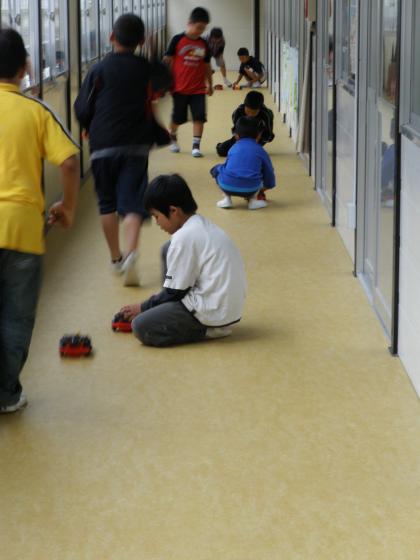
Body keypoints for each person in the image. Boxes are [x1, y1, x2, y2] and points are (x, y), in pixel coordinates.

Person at [0, 28, 80, 413]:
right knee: (16, 317)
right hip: (22, 231)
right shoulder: (35, 110)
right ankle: (6, 395)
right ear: (26, 67)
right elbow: (70, 161)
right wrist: (68, 207)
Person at [74, 14, 171, 287]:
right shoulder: (144, 68)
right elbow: (166, 80)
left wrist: (87, 125)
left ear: (111, 37)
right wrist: (152, 53)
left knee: (107, 204)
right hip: (135, 144)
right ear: (140, 41)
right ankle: (131, 254)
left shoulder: (98, 69)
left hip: (102, 144)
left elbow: (82, 107)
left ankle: (116, 258)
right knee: (132, 204)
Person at [118, 174, 246, 347]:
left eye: (156, 216)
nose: (157, 223)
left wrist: (142, 307)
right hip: (226, 307)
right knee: (167, 249)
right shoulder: (199, 224)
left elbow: (174, 293)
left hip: (213, 313)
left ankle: (208, 329)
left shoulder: (184, 237)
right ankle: (172, 311)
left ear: (173, 211)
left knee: (140, 326)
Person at [164, 7, 213, 157]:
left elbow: (207, 65)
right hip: (179, 88)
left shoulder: (203, 44)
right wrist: (162, 80)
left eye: (203, 28)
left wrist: (210, 84)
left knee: (199, 117)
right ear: (189, 23)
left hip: (198, 88)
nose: (200, 31)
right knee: (178, 118)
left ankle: (196, 146)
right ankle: (172, 136)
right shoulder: (177, 40)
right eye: (198, 27)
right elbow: (167, 60)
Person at [210, 116, 276, 210]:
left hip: (227, 186)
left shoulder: (233, 148)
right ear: (259, 135)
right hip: (252, 188)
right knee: (259, 172)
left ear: (236, 135)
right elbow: (269, 172)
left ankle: (227, 199)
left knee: (217, 169)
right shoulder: (261, 151)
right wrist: (269, 185)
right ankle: (253, 201)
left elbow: (227, 166)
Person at [216, 90, 275, 157]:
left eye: (254, 112)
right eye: (248, 111)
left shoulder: (265, 115)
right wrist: (237, 136)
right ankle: (220, 146)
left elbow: (269, 136)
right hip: (243, 135)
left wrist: (259, 138)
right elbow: (235, 129)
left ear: (259, 109)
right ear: (244, 106)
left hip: (258, 136)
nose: (250, 115)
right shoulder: (238, 112)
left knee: (251, 152)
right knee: (222, 151)